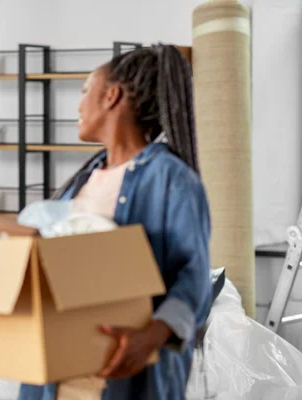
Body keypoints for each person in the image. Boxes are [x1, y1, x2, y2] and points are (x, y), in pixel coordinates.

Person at [18, 44, 212, 400]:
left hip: (127, 375)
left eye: (84, 91)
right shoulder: (83, 180)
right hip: (58, 371)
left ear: (111, 96)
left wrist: (153, 335)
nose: (78, 105)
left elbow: (194, 275)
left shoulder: (172, 179)